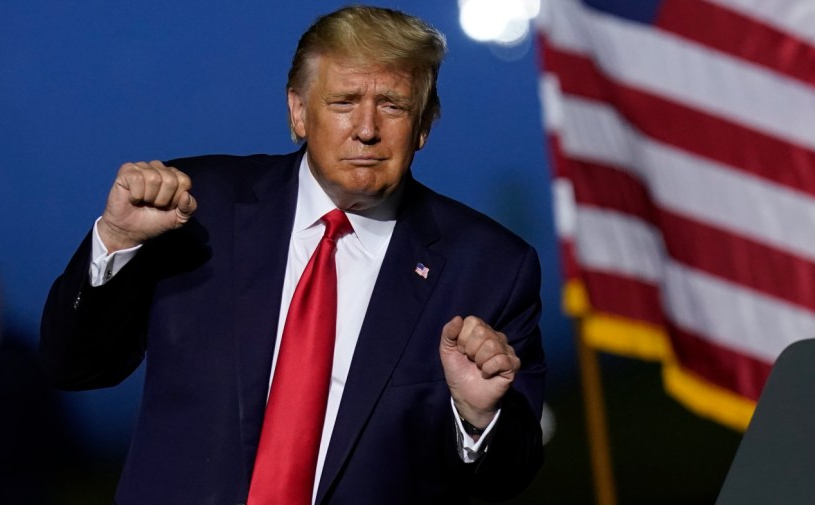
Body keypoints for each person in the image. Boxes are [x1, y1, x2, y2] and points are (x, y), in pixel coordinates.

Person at [40, 6, 546, 505]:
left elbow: (509, 474)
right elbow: (74, 367)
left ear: (424, 125)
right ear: (299, 111)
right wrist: (116, 241)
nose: (366, 129)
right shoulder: (196, 210)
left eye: (392, 105)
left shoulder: (491, 268)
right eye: (344, 102)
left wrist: (479, 421)